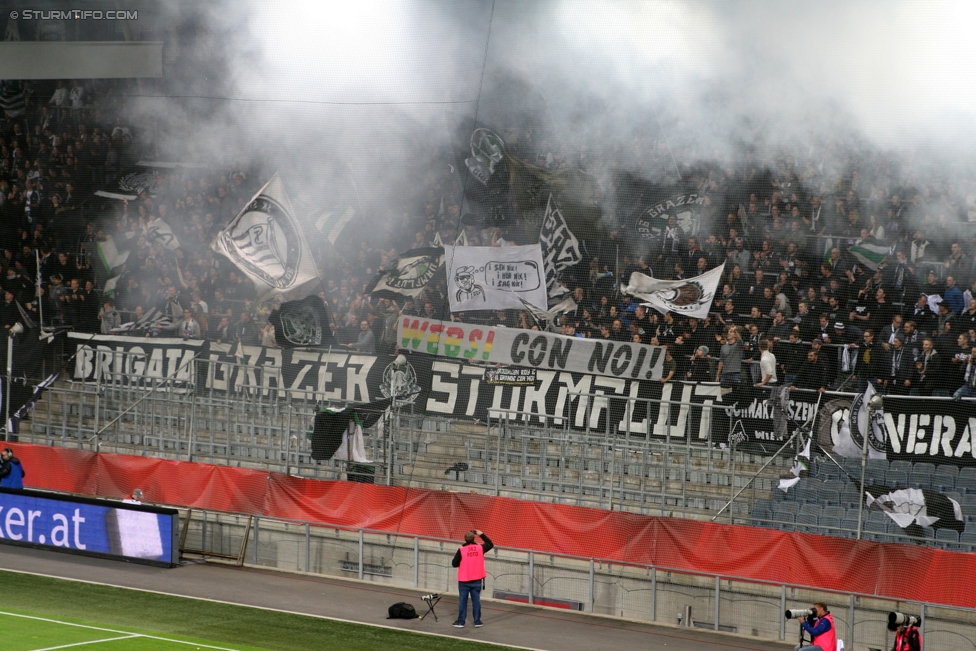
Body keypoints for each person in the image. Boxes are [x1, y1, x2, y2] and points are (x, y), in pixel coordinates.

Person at [451, 529, 493, 628]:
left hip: (464, 580)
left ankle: (461, 622)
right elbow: (490, 544)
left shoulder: (461, 550)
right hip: (477, 579)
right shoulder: (480, 548)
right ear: (474, 538)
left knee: (463, 601)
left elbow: (454, 564)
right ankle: (477, 621)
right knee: (476, 601)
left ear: (465, 539)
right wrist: (482, 534)